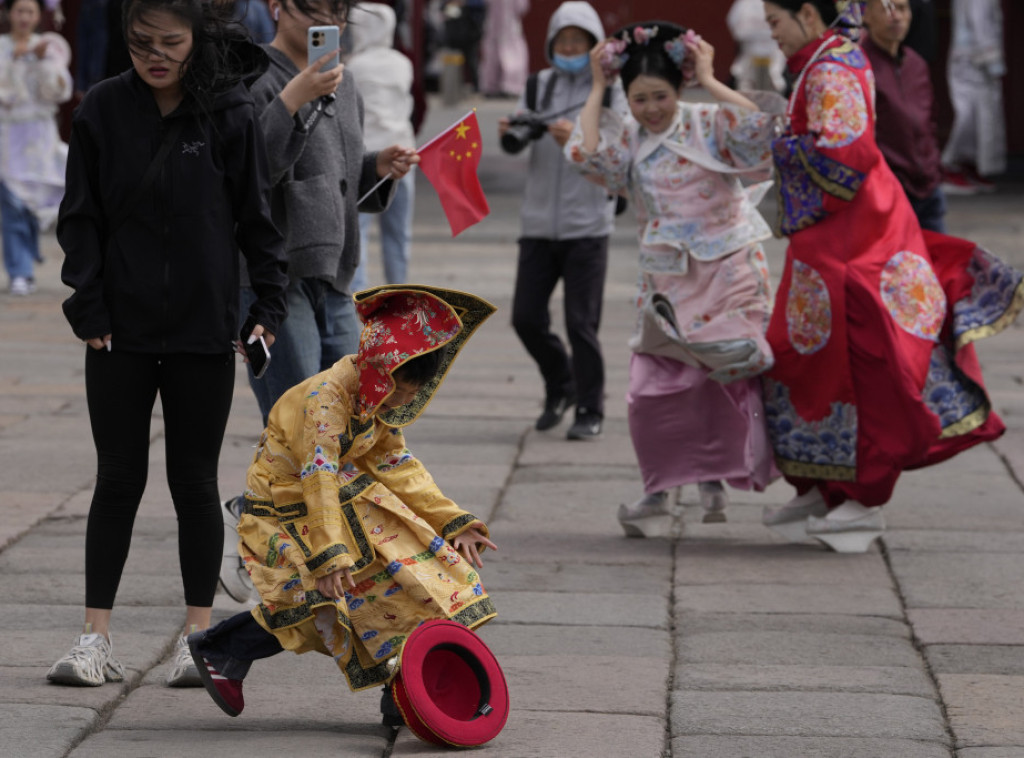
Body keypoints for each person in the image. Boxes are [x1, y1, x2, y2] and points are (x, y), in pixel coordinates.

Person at [50, 0, 289, 686]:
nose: (155, 55)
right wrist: (86, 303)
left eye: (170, 43)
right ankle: (94, 638)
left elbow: (256, 219)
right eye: (141, 42)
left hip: (201, 328)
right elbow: (80, 216)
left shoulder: (229, 112)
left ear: (197, 40)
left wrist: (265, 306)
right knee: (117, 478)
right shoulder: (100, 109)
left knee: (193, 480)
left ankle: (198, 636)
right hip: (115, 330)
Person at [759, 0, 1021, 552]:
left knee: (862, 367)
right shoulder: (823, 60)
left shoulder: (831, 66)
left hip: (855, 242)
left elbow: (843, 160)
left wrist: (777, 148)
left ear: (808, 13)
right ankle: (820, 483)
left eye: (775, 20)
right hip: (829, 243)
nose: (771, 32)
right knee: (804, 357)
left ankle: (860, 498)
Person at [187, 286, 499, 726]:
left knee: (413, 578)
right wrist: (330, 555)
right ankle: (222, 648)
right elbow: (318, 478)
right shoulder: (324, 401)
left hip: (338, 500)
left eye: (412, 392)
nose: (407, 401)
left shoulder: (374, 398)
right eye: (403, 390)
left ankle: (404, 692)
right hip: (284, 509)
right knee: (320, 600)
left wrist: (453, 521)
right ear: (382, 373)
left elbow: (396, 463)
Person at [220, 0, 418, 602]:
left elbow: (333, 179)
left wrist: (375, 168)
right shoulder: (253, 76)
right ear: (277, 7)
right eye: (310, 7)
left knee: (345, 428)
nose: (322, 19)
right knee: (300, 428)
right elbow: (247, 171)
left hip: (334, 275)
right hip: (271, 281)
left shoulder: (347, 80)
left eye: (335, 9)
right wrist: (293, 99)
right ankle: (260, 550)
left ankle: (282, 542)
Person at [568, 21, 781, 534]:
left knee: (722, 377)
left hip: (728, 269)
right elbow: (585, 154)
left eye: (660, 96)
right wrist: (599, 86)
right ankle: (660, 488)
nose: (651, 109)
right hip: (666, 282)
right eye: (638, 99)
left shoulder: (710, 121)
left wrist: (710, 79)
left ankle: (710, 478)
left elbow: (762, 130)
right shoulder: (632, 142)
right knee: (651, 389)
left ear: (679, 88)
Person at [499, 1, 625, 441]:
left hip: (587, 224)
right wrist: (514, 130)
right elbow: (518, 135)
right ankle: (561, 384)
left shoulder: (608, 89)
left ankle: (590, 408)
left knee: (580, 324)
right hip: (537, 222)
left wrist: (574, 136)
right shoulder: (538, 86)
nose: (570, 47)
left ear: (595, 46)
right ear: (552, 43)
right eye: (563, 40)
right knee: (526, 318)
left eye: (579, 40)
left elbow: (615, 150)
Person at [0, 0, 71, 296]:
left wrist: (43, 62)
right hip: (8, 133)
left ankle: (27, 257)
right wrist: (15, 60)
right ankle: (20, 269)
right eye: (20, 11)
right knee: (12, 201)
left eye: (30, 11)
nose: (24, 17)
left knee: (33, 201)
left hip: (39, 134)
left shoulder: (49, 46)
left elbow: (59, 91)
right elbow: (6, 96)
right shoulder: (2, 47)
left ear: (38, 15)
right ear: (8, 13)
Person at [347, 2, 415, 291]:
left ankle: (356, 295)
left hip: (367, 159)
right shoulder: (403, 63)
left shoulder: (352, 67)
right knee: (398, 233)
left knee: (359, 233)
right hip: (403, 153)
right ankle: (399, 292)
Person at [861, 0, 946, 232]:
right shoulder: (858, 64)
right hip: (888, 188)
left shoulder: (916, 63)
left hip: (927, 184)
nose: (896, 17)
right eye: (888, 9)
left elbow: (929, 120)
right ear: (866, 14)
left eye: (902, 9)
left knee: (938, 261)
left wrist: (933, 165)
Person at [940, 0, 1005, 194]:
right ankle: (951, 166)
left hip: (974, 58)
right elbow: (981, 23)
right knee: (968, 116)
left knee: (983, 119)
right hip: (972, 60)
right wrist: (993, 61)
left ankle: (971, 166)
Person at [727, 0, 786, 92]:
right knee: (745, 81)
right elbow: (734, 23)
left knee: (776, 78)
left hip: (773, 49)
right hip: (751, 48)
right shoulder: (744, 3)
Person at [479, 0, 529, 98]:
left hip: (499, 25)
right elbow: (521, 8)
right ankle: (509, 86)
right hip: (506, 25)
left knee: (495, 54)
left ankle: (496, 86)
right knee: (508, 54)